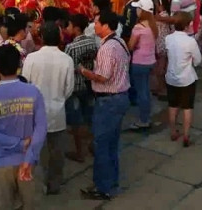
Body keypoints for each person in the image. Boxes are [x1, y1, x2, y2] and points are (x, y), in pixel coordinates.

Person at [0, 44, 47, 210]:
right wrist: (29, 155)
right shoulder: (33, 92)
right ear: (19, 65)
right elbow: (41, 128)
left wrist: (18, 144)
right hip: (28, 163)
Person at [77, 11, 130, 201]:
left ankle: (102, 187)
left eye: (97, 22)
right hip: (119, 97)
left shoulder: (107, 48)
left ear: (106, 25)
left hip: (109, 100)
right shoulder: (120, 42)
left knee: (101, 144)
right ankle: (111, 182)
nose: (94, 25)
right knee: (111, 144)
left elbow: (103, 77)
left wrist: (83, 71)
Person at [21, 22, 74, 195]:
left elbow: (25, 84)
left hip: (35, 113)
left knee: (36, 152)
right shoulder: (66, 59)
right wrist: (58, 99)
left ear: (41, 37)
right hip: (57, 113)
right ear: (60, 38)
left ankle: (37, 184)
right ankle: (54, 183)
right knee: (56, 153)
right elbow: (69, 89)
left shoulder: (31, 59)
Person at [63, 14, 97, 163]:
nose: (66, 28)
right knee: (90, 116)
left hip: (76, 87)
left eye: (69, 25)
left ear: (76, 28)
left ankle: (79, 152)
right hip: (89, 83)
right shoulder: (92, 42)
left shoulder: (70, 47)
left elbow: (66, 67)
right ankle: (93, 145)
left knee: (76, 121)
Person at [164, 12, 201, 147]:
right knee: (187, 107)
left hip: (171, 77)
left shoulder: (168, 38)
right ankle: (186, 135)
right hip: (187, 78)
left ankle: (173, 131)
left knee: (172, 105)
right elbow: (197, 61)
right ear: (186, 25)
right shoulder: (190, 41)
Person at [128, 0, 158, 130]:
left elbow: (131, 45)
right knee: (146, 90)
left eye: (138, 8)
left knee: (141, 92)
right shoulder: (153, 26)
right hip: (150, 61)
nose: (137, 11)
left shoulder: (138, 27)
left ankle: (143, 119)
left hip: (139, 62)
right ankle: (147, 116)